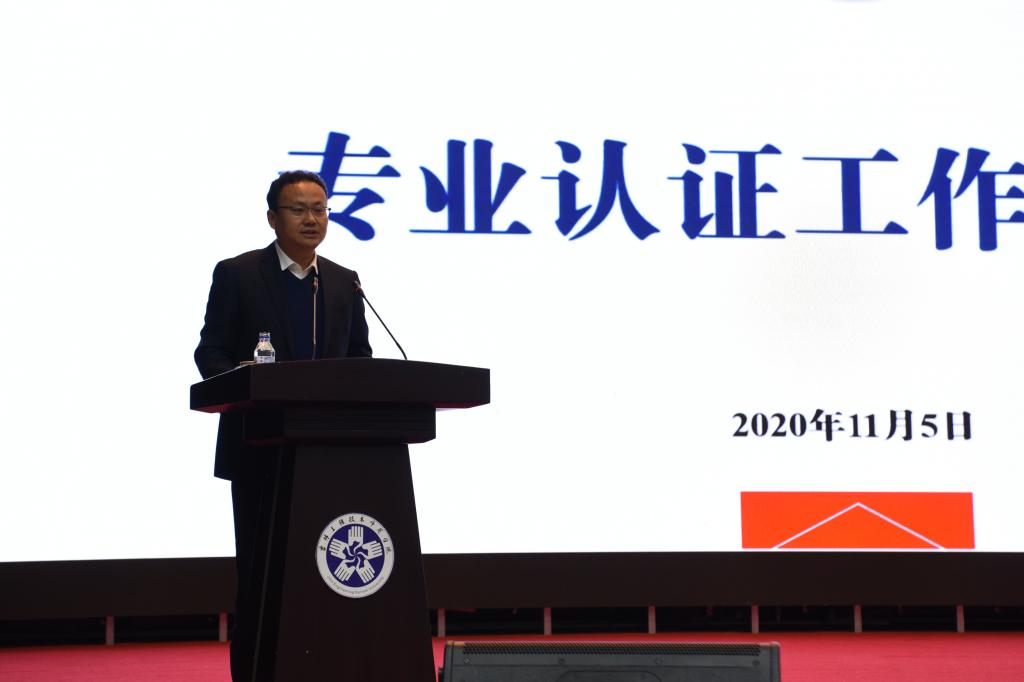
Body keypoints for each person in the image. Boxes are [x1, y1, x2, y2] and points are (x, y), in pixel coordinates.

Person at [194, 170, 371, 681]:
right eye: (299, 209)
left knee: (328, 575)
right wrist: (243, 381)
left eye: (320, 209)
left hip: (330, 457)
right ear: (273, 218)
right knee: (262, 576)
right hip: (260, 450)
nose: (312, 219)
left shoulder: (343, 281)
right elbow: (210, 352)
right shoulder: (238, 274)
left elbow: (360, 360)